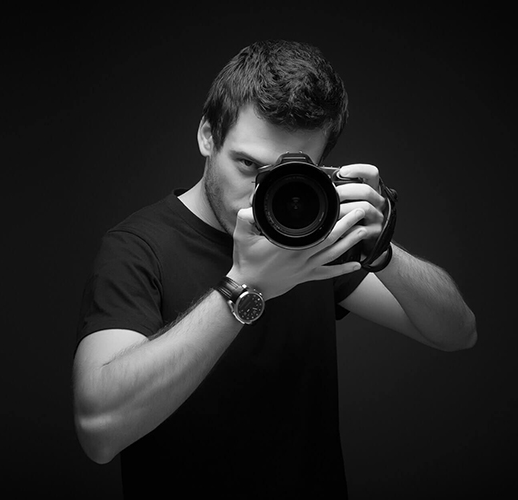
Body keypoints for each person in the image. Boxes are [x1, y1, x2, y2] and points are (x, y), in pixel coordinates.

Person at [73, 40, 477, 498]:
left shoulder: (315, 238)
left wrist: (382, 251)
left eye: (285, 172)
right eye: (248, 164)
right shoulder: (136, 247)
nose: (259, 193)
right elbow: (99, 431)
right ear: (207, 135)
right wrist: (244, 285)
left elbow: (457, 332)